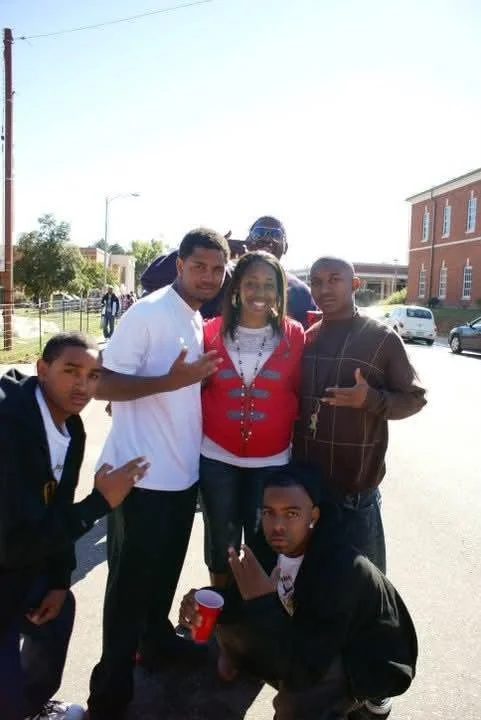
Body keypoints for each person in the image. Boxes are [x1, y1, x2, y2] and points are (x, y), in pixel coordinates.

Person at [87, 228, 230, 720]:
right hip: (140, 481)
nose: (208, 276)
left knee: (162, 578)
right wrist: (170, 381)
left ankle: (157, 647)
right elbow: (100, 382)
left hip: (179, 478)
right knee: (128, 591)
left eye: (217, 268)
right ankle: (109, 693)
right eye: (199, 266)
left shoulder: (196, 319)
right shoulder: (147, 313)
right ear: (179, 266)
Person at [292, 256, 427, 718]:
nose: (324, 288)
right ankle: (325, 677)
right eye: (316, 281)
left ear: (355, 284)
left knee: (370, 597)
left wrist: (370, 400)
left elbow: (414, 397)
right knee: (314, 592)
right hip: (308, 501)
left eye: (334, 280)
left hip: (356, 496)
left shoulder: (379, 339)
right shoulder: (305, 340)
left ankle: (375, 684)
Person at [179, 464, 418, 720]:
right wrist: (201, 600)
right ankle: (244, 661)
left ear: (313, 516)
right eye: (269, 512)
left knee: (299, 699)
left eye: (291, 513)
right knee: (233, 612)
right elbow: (241, 600)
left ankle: (364, 699)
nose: (278, 525)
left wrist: (265, 604)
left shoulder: (339, 567)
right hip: (309, 632)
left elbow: (307, 667)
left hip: (368, 656)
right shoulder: (267, 542)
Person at [0, 332, 149, 720]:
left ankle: (32, 707)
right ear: (42, 369)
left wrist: (58, 581)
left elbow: (56, 509)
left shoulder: (72, 428)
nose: (83, 384)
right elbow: (13, 541)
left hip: (21, 567)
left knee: (59, 610)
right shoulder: (8, 430)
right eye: (71, 371)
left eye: (94, 375)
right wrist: (99, 503)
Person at [200, 250, 305, 588]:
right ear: (235, 289)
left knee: (265, 546)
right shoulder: (209, 333)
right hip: (216, 459)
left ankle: (258, 627)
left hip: (272, 463)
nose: (260, 293)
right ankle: (220, 620)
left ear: (280, 291)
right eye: (251, 284)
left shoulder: (295, 336)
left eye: (269, 285)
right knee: (221, 545)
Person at [246, 216, 317, 327]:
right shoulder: (228, 281)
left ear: (286, 247)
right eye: (259, 233)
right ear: (247, 241)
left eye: (276, 235)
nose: (267, 240)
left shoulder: (301, 293)